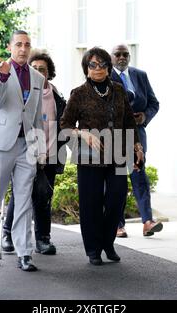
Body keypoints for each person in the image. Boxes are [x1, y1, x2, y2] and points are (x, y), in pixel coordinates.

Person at [60, 47, 143, 265]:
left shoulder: (118, 90)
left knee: (117, 198)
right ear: (86, 69)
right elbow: (65, 126)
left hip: (117, 151)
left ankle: (108, 242)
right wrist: (83, 133)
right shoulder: (78, 94)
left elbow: (129, 122)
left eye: (103, 64)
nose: (98, 69)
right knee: (91, 203)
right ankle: (93, 249)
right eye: (93, 65)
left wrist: (136, 145)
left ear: (109, 67)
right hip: (89, 155)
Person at [0, 30, 46, 271]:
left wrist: (39, 147)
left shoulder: (38, 77)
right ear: (10, 47)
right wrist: (4, 78)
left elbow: (36, 115)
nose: (23, 49)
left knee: (24, 199)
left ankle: (24, 252)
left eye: (27, 45)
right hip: (0, 143)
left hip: (26, 145)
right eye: (18, 44)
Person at [2, 50, 67, 255]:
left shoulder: (56, 94)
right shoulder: (24, 92)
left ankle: (43, 239)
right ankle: (7, 234)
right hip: (26, 152)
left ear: (49, 73)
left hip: (50, 153)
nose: (38, 72)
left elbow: (62, 123)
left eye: (43, 69)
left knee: (44, 195)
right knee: (20, 194)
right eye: (34, 68)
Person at [110, 44, 162, 238]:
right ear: (111, 57)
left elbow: (154, 103)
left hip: (138, 136)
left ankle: (148, 222)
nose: (122, 57)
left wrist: (144, 118)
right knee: (117, 180)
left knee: (140, 178)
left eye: (125, 54)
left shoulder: (140, 75)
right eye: (118, 54)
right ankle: (117, 225)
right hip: (115, 136)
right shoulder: (105, 76)